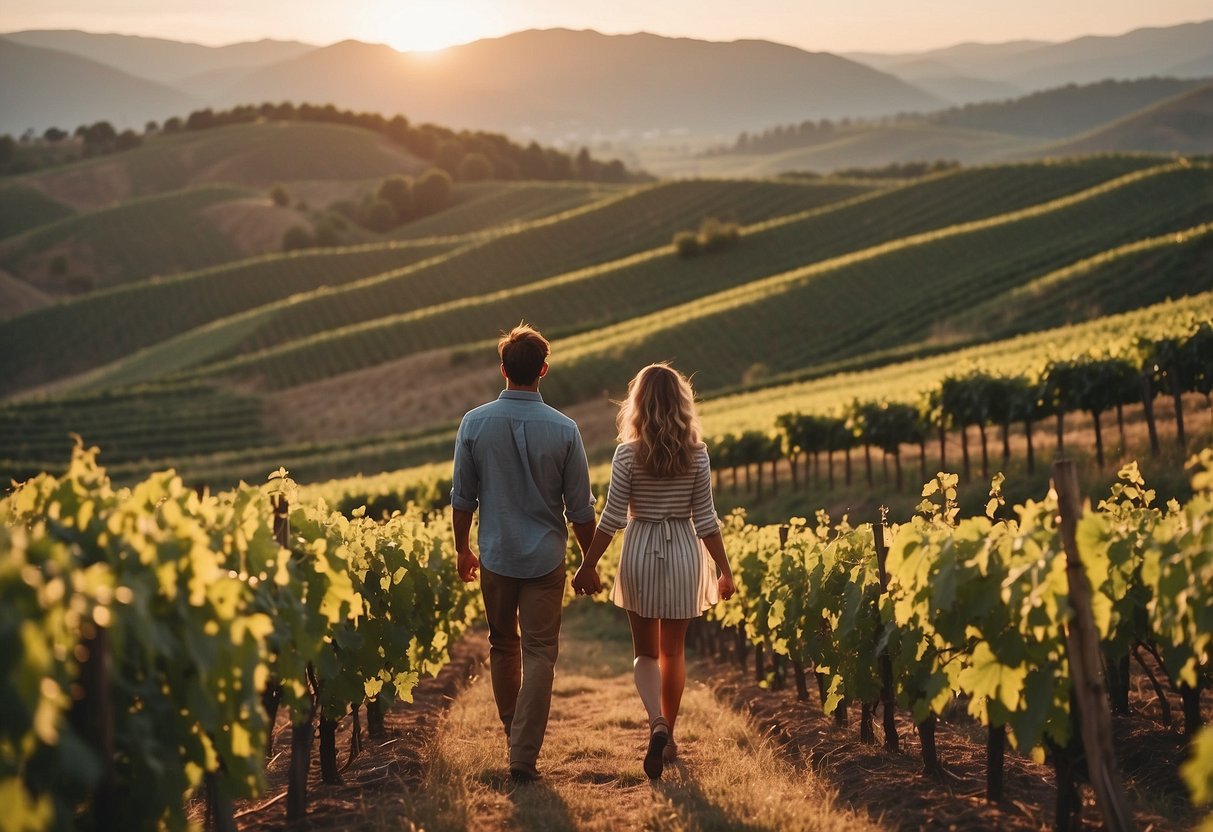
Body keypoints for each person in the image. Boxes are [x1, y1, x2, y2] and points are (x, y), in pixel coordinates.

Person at [572, 362, 735, 780]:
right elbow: (707, 520)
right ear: (682, 403)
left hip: (641, 549)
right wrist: (725, 570)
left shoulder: (627, 453)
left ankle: (655, 722)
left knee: (645, 653)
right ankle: (671, 737)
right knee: (674, 651)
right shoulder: (697, 454)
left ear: (638, 405)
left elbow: (610, 518)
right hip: (684, 551)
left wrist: (587, 564)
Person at [451, 323, 597, 784]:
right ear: (544, 371)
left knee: (502, 645)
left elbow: (462, 499)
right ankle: (523, 753)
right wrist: (589, 564)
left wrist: (462, 549)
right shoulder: (565, 429)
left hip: (495, 554)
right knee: (539, 653)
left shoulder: (473, 423)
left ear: (503, 370)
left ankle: (513, 736)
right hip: (544, 559)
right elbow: (580, 509)